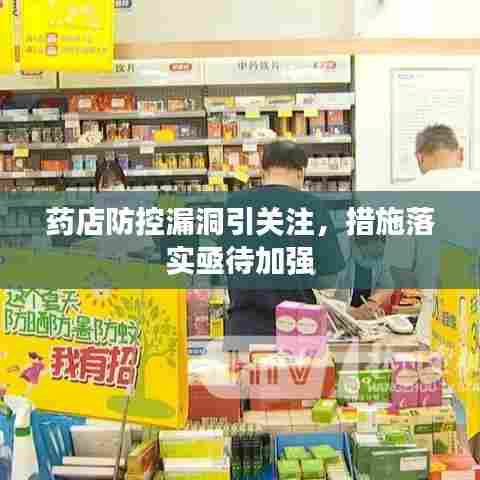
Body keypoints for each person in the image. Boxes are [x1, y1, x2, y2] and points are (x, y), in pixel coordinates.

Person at [384, 124, 480, 461]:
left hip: (441, 325)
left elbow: (399, 269)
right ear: (460, 154)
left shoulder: (409, 196)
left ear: (419, 158)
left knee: (447, 428)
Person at [225, 140, 345, 351]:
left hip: (244, 329)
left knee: (245, 373)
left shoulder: (235, 204)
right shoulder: (312, 206)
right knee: (299, 374)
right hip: (298, 328)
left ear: (263, 171)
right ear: (301, 172)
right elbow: (328, 278)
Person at [335, 230, 393, 320]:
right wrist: (352, 312)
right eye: (373, 256)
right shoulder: (338, 252)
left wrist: (373, 303)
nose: (376, 260)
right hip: (336, 318)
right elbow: (323, 299)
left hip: (363, 321)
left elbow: (387, 285)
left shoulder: (380, 252)